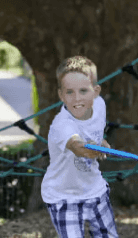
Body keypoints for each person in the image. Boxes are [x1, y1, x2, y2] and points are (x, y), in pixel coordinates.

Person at [42, 55, 119, 238]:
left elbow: (94, 132)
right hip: (63, 197)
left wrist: (101, 143)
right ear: (61, 95)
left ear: (96, 91)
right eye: (69, 92)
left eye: (84, 91)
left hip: (95, 190)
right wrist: (93, 149)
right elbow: (77, 146)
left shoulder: (99, 106)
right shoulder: (61, 125)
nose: (77, 98)